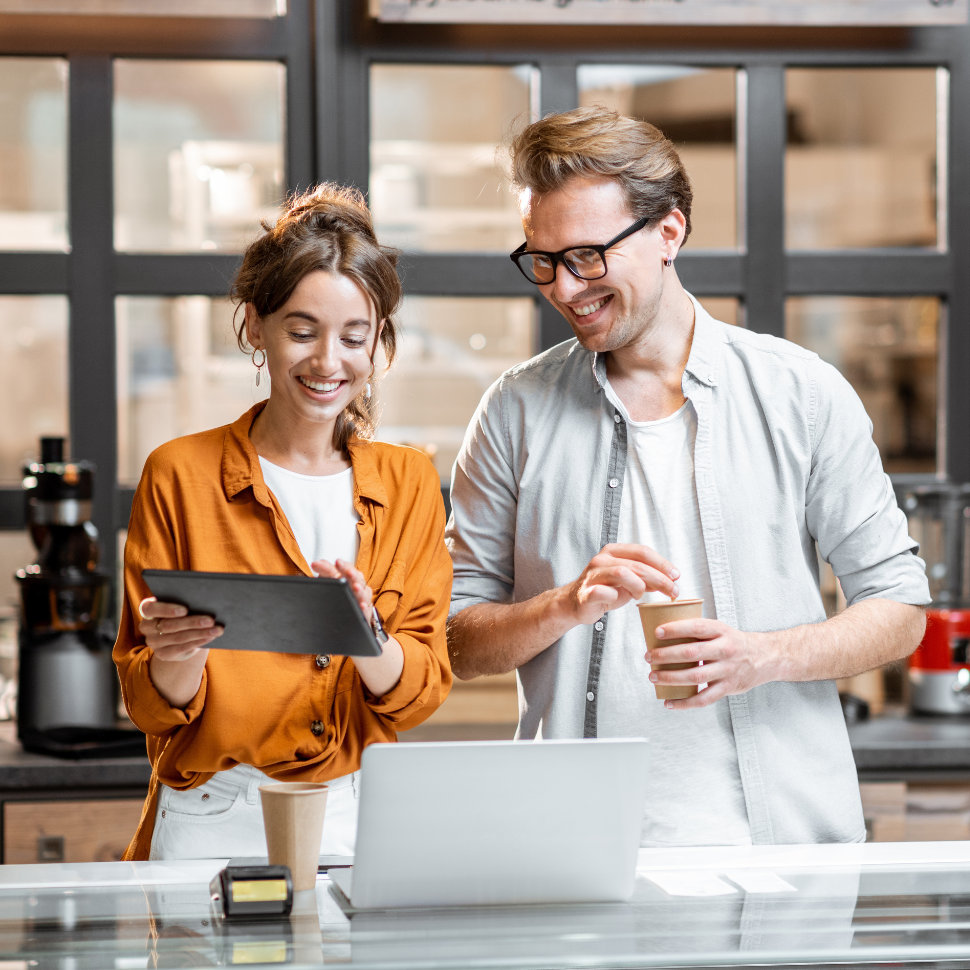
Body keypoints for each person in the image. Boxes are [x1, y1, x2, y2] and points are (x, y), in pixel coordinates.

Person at [445, 107, 930, 846]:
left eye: (586, 256)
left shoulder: (799, 392)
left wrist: (762, 656)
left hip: (781, 854)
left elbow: (899, 608)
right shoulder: (515, 410)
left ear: (668, 232)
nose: (563, 288)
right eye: (542, 260)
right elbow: (454, 638)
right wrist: (561, 607)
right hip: (573, 851)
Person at [114, 184, 452, 861]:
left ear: (379, 341)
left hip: (357, 817)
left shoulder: (410, 480)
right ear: (254, 328)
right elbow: (149, 707)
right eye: (302, 332)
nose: (329, 362)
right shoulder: (179, 474)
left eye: (355, 337)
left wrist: (366, 636)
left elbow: (416, 696)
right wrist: (180, 654)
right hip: (212, 814)